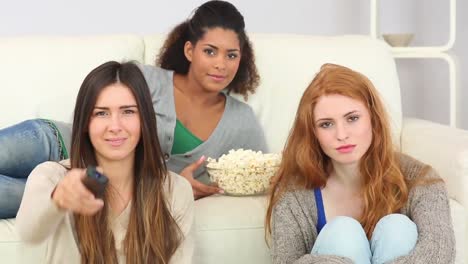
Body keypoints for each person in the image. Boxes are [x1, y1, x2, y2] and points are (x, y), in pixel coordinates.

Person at [0, 0, 267, 219]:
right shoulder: (145, 79)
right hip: (54, 142)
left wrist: (179, 186)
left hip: (83, 187)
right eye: (210, 51)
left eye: (231, 55)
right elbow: (90, 117)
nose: (221, 64)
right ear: (189, 50)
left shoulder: (241, 122)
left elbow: (264, 177)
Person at [265, 64, 455, 264]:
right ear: (313, 132)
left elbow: (440, 252)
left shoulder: (420, 179)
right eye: (326, 124)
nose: (342, 135)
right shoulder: (294, 192)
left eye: (352, 118)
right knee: (343, 232)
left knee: (397, 228)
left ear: (373, 119)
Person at [15, 61, 194, 263]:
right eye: (101, 113)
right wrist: (58, 200)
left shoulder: (175, 190)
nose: (115, 126)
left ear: (144, 120)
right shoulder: (52, 176)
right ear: (85, 123)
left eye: (128, 111)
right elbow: (28, 233)